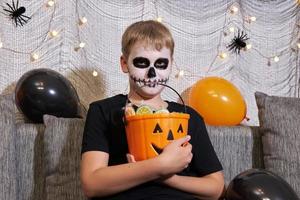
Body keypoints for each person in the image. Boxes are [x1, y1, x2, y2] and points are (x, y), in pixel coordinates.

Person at [80, 20, 225, 200]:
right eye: (142, 63)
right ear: (124, 64)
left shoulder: (189, 117)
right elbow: (92, 184)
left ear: (171, 65)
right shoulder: (103, 111)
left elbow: (216, 188)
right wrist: (160, 165)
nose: (152, 74)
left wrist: (168, 178)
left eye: (161, 64)